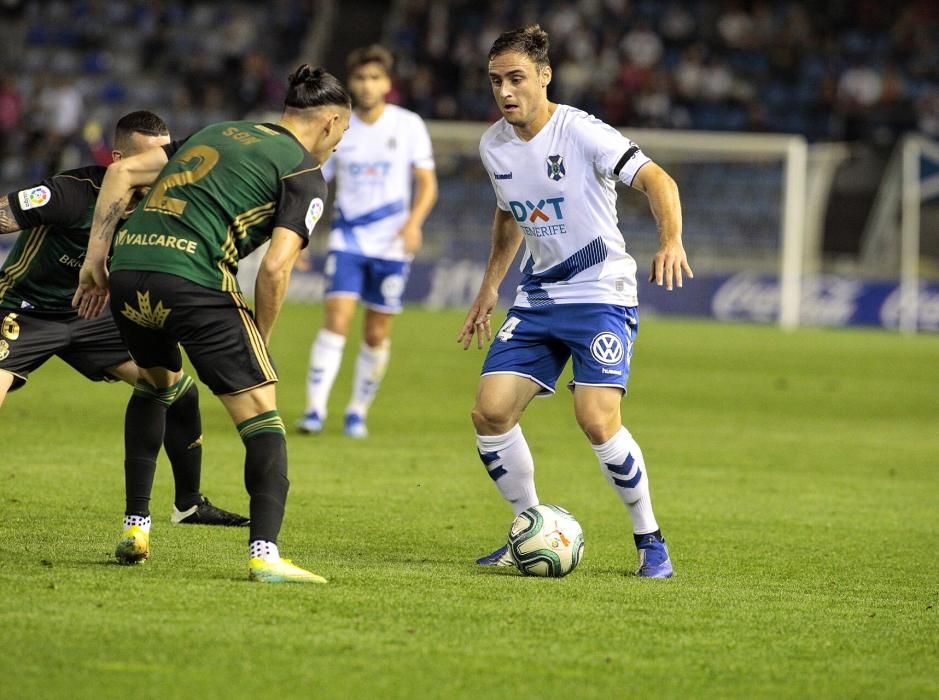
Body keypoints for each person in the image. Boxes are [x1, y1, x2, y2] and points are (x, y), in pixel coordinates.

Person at [73, 66, 352, 583]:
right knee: (262, 416)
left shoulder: (215, 132)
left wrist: (96, 257)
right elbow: (275, 266)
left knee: (157, 385)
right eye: (342, 136)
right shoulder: (304, 173)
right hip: (193, 278)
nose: (337, 147)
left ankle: (137, 527)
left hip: (130, 271)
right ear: (330, 123)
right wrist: (260, 343)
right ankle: (265, 557)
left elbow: (119, 173)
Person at [457, 26, 693, 579]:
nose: (505, 92)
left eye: (516, 78)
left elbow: (659, 180)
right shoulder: (493, 145)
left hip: (600, 294)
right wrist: (492, 285)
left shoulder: (582, 131)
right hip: (538, 297)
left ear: (545, 76)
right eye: (496, 82)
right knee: (490, 413)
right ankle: (528, 526)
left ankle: (649, 539)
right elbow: (509, 216)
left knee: (595, 417)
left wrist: (671, 240)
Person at [0, 110, 248, 527]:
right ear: (119, 159)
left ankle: (189, 503)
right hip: (24, 310)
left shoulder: (163, 203)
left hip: (91, 316)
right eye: (153, 158)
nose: (163, 167)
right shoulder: (70, 191)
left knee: (177, 387)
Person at [297, 45, 437, 438]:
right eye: (360, 78)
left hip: (393, 244)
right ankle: (315, 409)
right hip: (349, 238)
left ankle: (357, 410)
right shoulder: (341, 125)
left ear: (388, 83)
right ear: (352, 83)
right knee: (336, 321)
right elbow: (317, 181)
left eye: (375, 77)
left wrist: (414, 224)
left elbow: (427, 183)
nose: (367, 84)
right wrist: (300, 231)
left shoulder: (408, 125)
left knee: (376, 333)